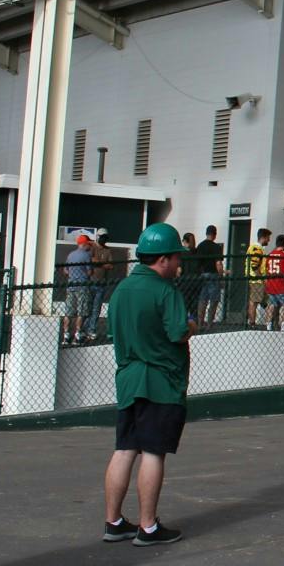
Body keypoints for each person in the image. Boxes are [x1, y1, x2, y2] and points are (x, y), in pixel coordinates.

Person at [102, 223, 195, 547]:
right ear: (163, 259)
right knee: (154, 452)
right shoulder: (165, 291)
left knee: (124, 449)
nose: (178, 265)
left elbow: (114, 332)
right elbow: (177, 332)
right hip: (160, 382)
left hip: (128, 380)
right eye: (176, 259)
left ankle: (113, 522)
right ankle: (148, 526)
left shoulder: (122, 290)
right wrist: (191, 326)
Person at [64, 234, 101, 345]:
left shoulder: (71, 255)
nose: (90, 246)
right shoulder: (86, 256)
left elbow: (66, 271)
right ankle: (77, 335)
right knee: (81, 311)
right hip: (82, 287)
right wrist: (85, 273)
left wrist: (73, 274)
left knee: (68, 312)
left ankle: (66, 335)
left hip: (71, 286)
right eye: (89, 244)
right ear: (84, 244)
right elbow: (90, 272)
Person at [195, 226, 225, 324]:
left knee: (202, 299)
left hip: (203, 275)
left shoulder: (200, 246)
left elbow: (197, 263)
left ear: (206, 233)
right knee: (214, 300)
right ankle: (209, 323)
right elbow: (218, 263)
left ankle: (200, 322)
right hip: (213, 274)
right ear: (215, 234)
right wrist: (221, 275)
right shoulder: (216, 247)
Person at [266, 234, 284, 330]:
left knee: (272, 305)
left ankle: (269, 324)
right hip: (282, 285)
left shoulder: (270, 254)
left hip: (271, 284)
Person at [245, 228, 270, 327]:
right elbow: (254, 265)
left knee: (254, 301)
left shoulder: (253, 247)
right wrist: (262, 278)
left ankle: (250, 321)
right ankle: (252, 323)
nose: (269, 240)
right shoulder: (257, 249)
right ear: (263, 237)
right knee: (254, 302)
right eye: (268, 238)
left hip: (252, 278)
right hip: (256, 279)